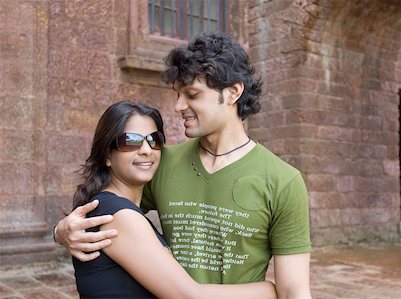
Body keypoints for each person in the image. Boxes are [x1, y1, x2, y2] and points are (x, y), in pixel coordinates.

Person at [55, 32, 312, 298]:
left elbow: (294, 291)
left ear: (233, 92)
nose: (179, 106)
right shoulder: (159, 162)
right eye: (178, 94)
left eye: (192, 94)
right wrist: (61, 231)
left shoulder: (283, 181)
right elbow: (106, 208)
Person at [70, 100, 277, 298]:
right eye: (130, 141)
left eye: (154, 140)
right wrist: (271, 290)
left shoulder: (113, 206)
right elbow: (189, 296)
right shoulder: (119, 217)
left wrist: (58, 233)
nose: (146, 150)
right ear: (107, 155)